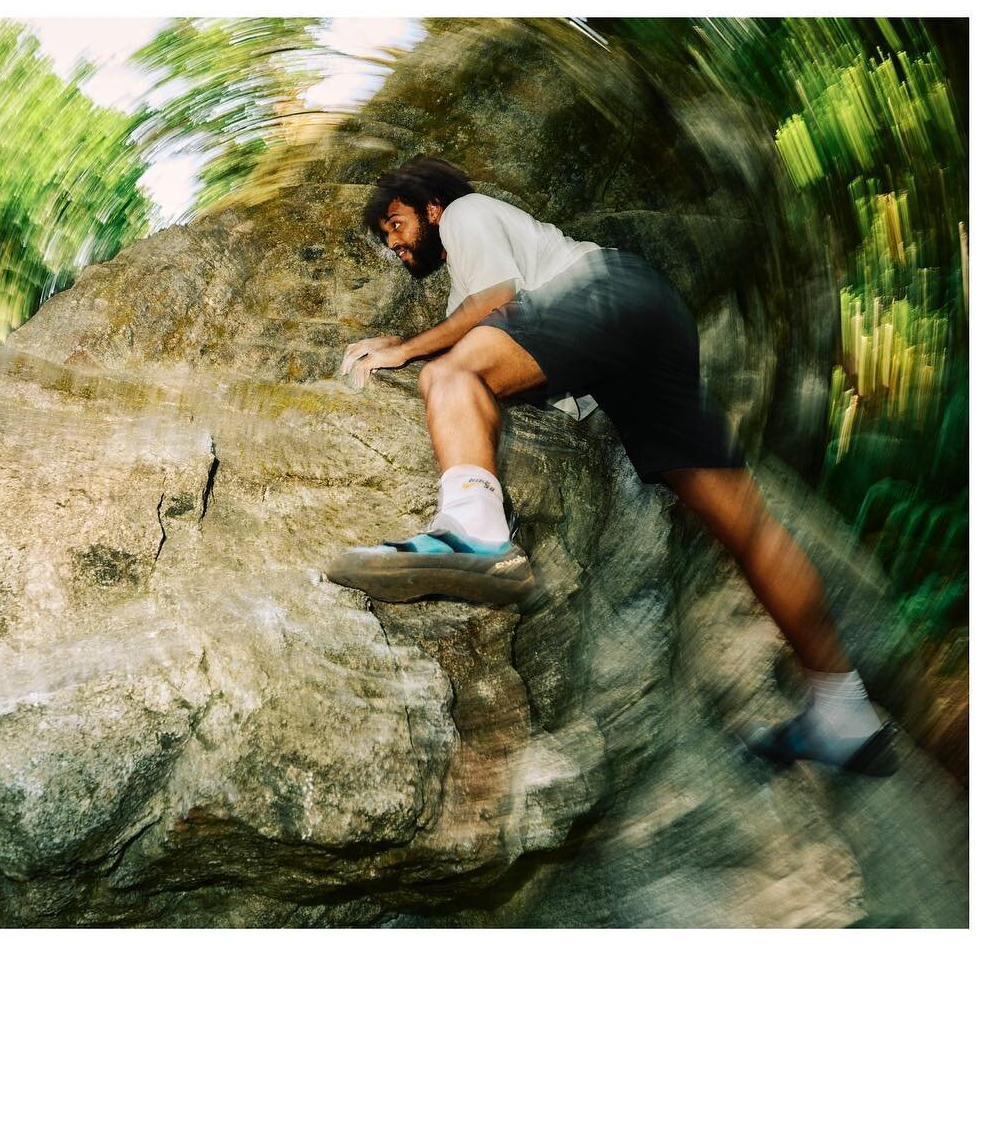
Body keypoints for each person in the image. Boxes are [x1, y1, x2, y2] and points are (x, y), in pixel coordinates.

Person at [327, 156, 897, 776]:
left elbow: (497, 302)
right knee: (745, 525)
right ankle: (843, 707)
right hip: (644, 323)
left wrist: (406, 350)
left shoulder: (466, 213)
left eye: (396, 223)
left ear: (431, 207)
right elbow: (502, 335)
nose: (394, 242)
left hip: (598, 294)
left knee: (448, 373)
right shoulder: (484, 258)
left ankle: (473, 527)